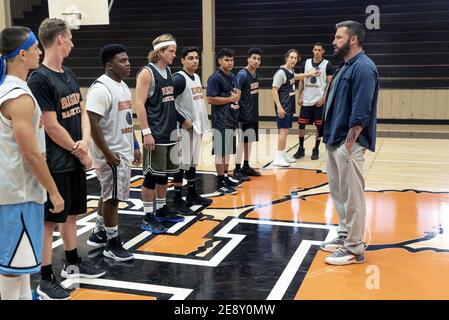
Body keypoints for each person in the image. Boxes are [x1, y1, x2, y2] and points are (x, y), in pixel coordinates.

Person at [28, 18, 105, 300]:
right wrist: (79, 150)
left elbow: (82, 110)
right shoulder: (38, 79)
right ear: (59, 38)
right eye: (70, 37)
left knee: (72, 213)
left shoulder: (69, 73)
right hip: (56, 162)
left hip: (75, 156)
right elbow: (50, 125)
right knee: (50, 221)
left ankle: (72, 262)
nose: (72, 42)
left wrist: (85, 142)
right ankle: (45, 278)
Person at [0, 26, 64, 300]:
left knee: (20, 266)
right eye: (36, 47)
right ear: (23, 54)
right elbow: (31, 154)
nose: (40, 51)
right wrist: (53, 190)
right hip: (19, 194)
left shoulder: (9, 90)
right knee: (12, 269)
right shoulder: (20, 98)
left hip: (11, 191)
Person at [319, 21, 379, 266]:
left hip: (348, 143)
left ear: (353, 39)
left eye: (339, 37)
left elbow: (361, 111)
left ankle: (354, 248)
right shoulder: (345, 66)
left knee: (352, 195)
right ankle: (345, 235)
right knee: (339, 193)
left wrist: (350, 144)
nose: (334, 41)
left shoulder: (364, 68)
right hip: (334, 139)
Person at [85, 44, 142, 261]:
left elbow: (127, 119)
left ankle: (99, 231)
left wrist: (135, 145)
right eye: (122, 61)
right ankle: (112, 242)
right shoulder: (102, 88)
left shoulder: (123, 86)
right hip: (111, 155)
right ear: (109, 65)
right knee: (113, 198)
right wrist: (108, 154)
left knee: (107, 193)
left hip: (122, 150)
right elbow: (92, 121)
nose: (128, 64)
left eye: (127, 60)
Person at [135, 34, 185, 235]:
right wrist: (146, 132)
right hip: (154, 133)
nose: (174, 54)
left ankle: (162, 209)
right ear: (160, 52)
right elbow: (138, 103)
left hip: (169, 132)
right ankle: (148, 216)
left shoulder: (169, 70)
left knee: (164, 176)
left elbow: (169, 103)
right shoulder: (147, 72)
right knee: (150, 177)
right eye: (171, 51)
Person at [172, 46, 212, 215]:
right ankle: (176, 198)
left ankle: (192, 194)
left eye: (196, 57)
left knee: (193, 162)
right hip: (183, 129)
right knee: (182, 163)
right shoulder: (179, 79)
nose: (195, 60)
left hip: (196, 127)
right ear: (182, 60)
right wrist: (181, 120)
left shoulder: (195, 76)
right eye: (190, 58)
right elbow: (166, 102)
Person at [271, 49, 319, 167]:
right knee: (283, 131)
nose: (293, 60)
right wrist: (279, 107)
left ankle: (282, 153)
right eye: (291, 57)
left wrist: (308, 74)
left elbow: (296, 76)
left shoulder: (290, 71)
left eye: (295, 58)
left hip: (289, 105)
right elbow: (274, 90)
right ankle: (278, 156)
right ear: (286, 57)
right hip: (283, 106)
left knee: (286, 130)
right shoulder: (281, 73)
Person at [206, 48, 242, 195]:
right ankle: (220, 181)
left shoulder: (232, 76)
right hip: (220, 119)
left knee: (227, 151)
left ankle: (226, 177)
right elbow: (210, 99)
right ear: (219, 61)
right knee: (220, 152)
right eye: (227, 60)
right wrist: (231, 99)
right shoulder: (214, 78)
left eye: (232, 60)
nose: (230, 62)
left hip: (230, 118)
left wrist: (236, 95)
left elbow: (234, 93)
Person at [294, 42, 334, 160]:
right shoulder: (305, 63)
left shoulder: (328, 65)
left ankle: (315, 149)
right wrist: (299, 96)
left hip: (319, 102)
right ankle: (301, 148)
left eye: (319, 50)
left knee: (318, 127)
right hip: (306, 101)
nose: (316, 52)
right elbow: (301, 80)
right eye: (315, 49)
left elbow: (329, 85)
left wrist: (324, 99)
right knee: (301, 125)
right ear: (313, 50)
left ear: (323, 52)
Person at [232, 47, 263, 181]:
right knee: (241, 141)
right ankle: (237, 169)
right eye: (254, 58)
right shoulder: (243, 74)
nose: (256, 61)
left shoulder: (256, 74)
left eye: (258, 59)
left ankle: (246, 166)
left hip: (252, 113)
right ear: (248, 59)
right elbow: (235, 94)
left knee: (249, 140)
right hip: (242, 114)